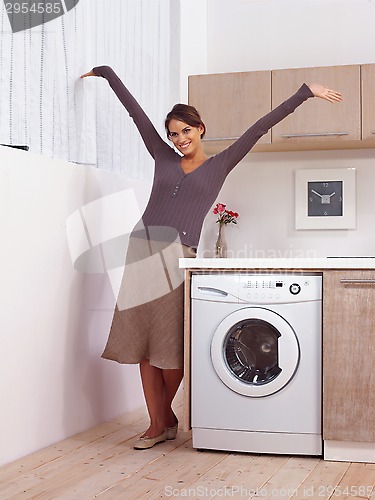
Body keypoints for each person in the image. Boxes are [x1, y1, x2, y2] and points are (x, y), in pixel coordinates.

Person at [80, 66, 342, 449]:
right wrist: (107, 73)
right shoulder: (163, 158)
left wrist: (305, 92)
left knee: (170, 347)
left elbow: (258, 127)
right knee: (142, 344)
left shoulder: (220, 163)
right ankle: (158, 424)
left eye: (185, 130)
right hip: (141, 251)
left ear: (200, 128)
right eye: (173, 133)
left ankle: (164, 416)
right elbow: (134, 112)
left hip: (177, 256)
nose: (179, 138)